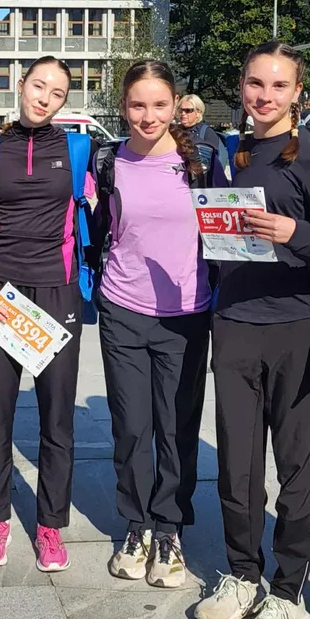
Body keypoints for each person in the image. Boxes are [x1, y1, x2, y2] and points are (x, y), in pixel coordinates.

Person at [195, 43, 310, 619]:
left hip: (299, 327)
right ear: (241, 85)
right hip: (235, 322)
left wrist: (296, 233)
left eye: (278, 87)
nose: (264, 96)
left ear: (297, 94)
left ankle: (289, 593)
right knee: (236, 464)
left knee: (298, 469)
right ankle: (242, 572)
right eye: (255, 83)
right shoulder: (233, 152)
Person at [94, 60, 222, 588]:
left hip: (187, 315)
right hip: (121, 309)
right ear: (123, 107)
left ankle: (169, 528)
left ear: (177, 107)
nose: (148, 116)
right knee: (130, 428)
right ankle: (136, 523)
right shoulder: (107, 161)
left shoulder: (204, 163)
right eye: (138, 105)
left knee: (176, 427)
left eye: (159, 105)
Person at [0, 57, 92, 573]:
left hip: (59, 292)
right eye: (38, 86)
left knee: (57, 418)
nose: (44, 97)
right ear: (20, 85)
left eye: (57, 93)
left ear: (65, 102)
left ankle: (49, 527)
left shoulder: (80, 148)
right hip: (1, 292)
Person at [177, 93, 231, 175]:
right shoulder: (175, 131)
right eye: (181, 110)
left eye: (188, 110)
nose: (183, 114)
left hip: (199, 182)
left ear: (198, 112)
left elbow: (212, 163)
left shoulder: (207, 132)